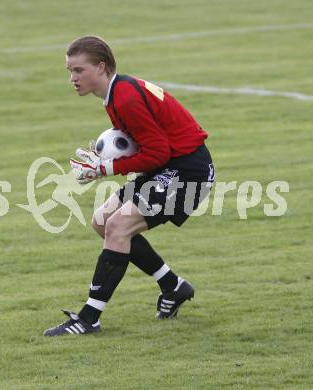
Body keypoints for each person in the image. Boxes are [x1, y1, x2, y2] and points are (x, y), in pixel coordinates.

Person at [43, 36, 215, 336]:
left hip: (189, 172)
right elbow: (149, 149)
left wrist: (105, 168)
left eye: (78, 70)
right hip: (169, 167)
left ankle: (88, 318)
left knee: (118, 227)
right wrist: (106, 161)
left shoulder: (125, 97)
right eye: (69, 71)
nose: (72, 78)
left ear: (101, 67)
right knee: (103, 221)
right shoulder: (115, 94)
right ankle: (173, 287)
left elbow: (158, 152)